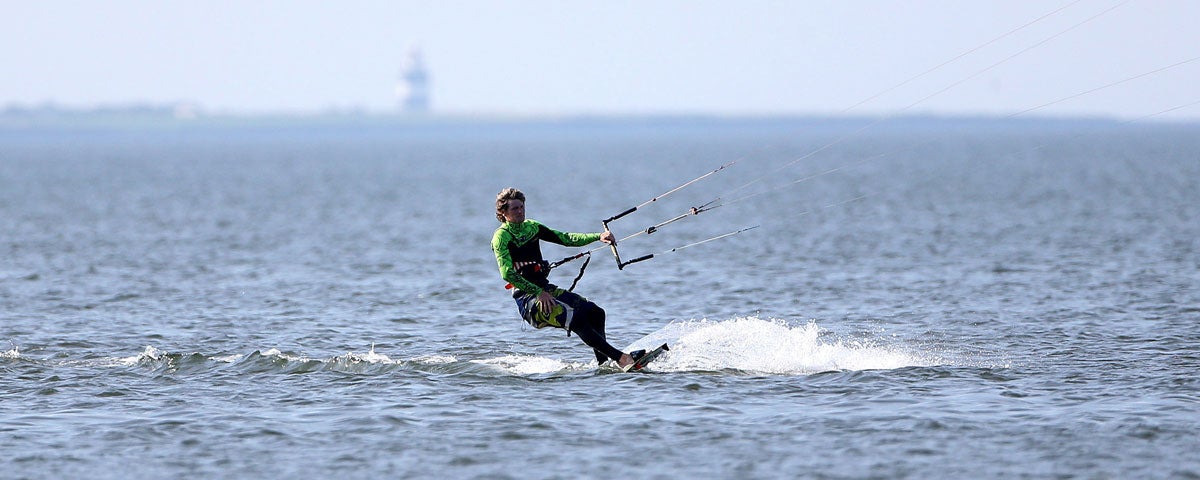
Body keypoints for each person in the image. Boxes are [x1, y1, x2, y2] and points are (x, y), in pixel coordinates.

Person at [491, 187, 636, 370]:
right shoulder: (501, 237)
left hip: (546, 289)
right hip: (529, 298)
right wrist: (538, 292)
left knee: (595, 313)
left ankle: (604, 365)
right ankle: (621, 359)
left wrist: (598, 237)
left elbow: (566, 238)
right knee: (576, 319)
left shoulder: (532, 227)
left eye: (522, 207)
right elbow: (506, 273)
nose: (520, 211)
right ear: (503, 212)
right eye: (515, 209)